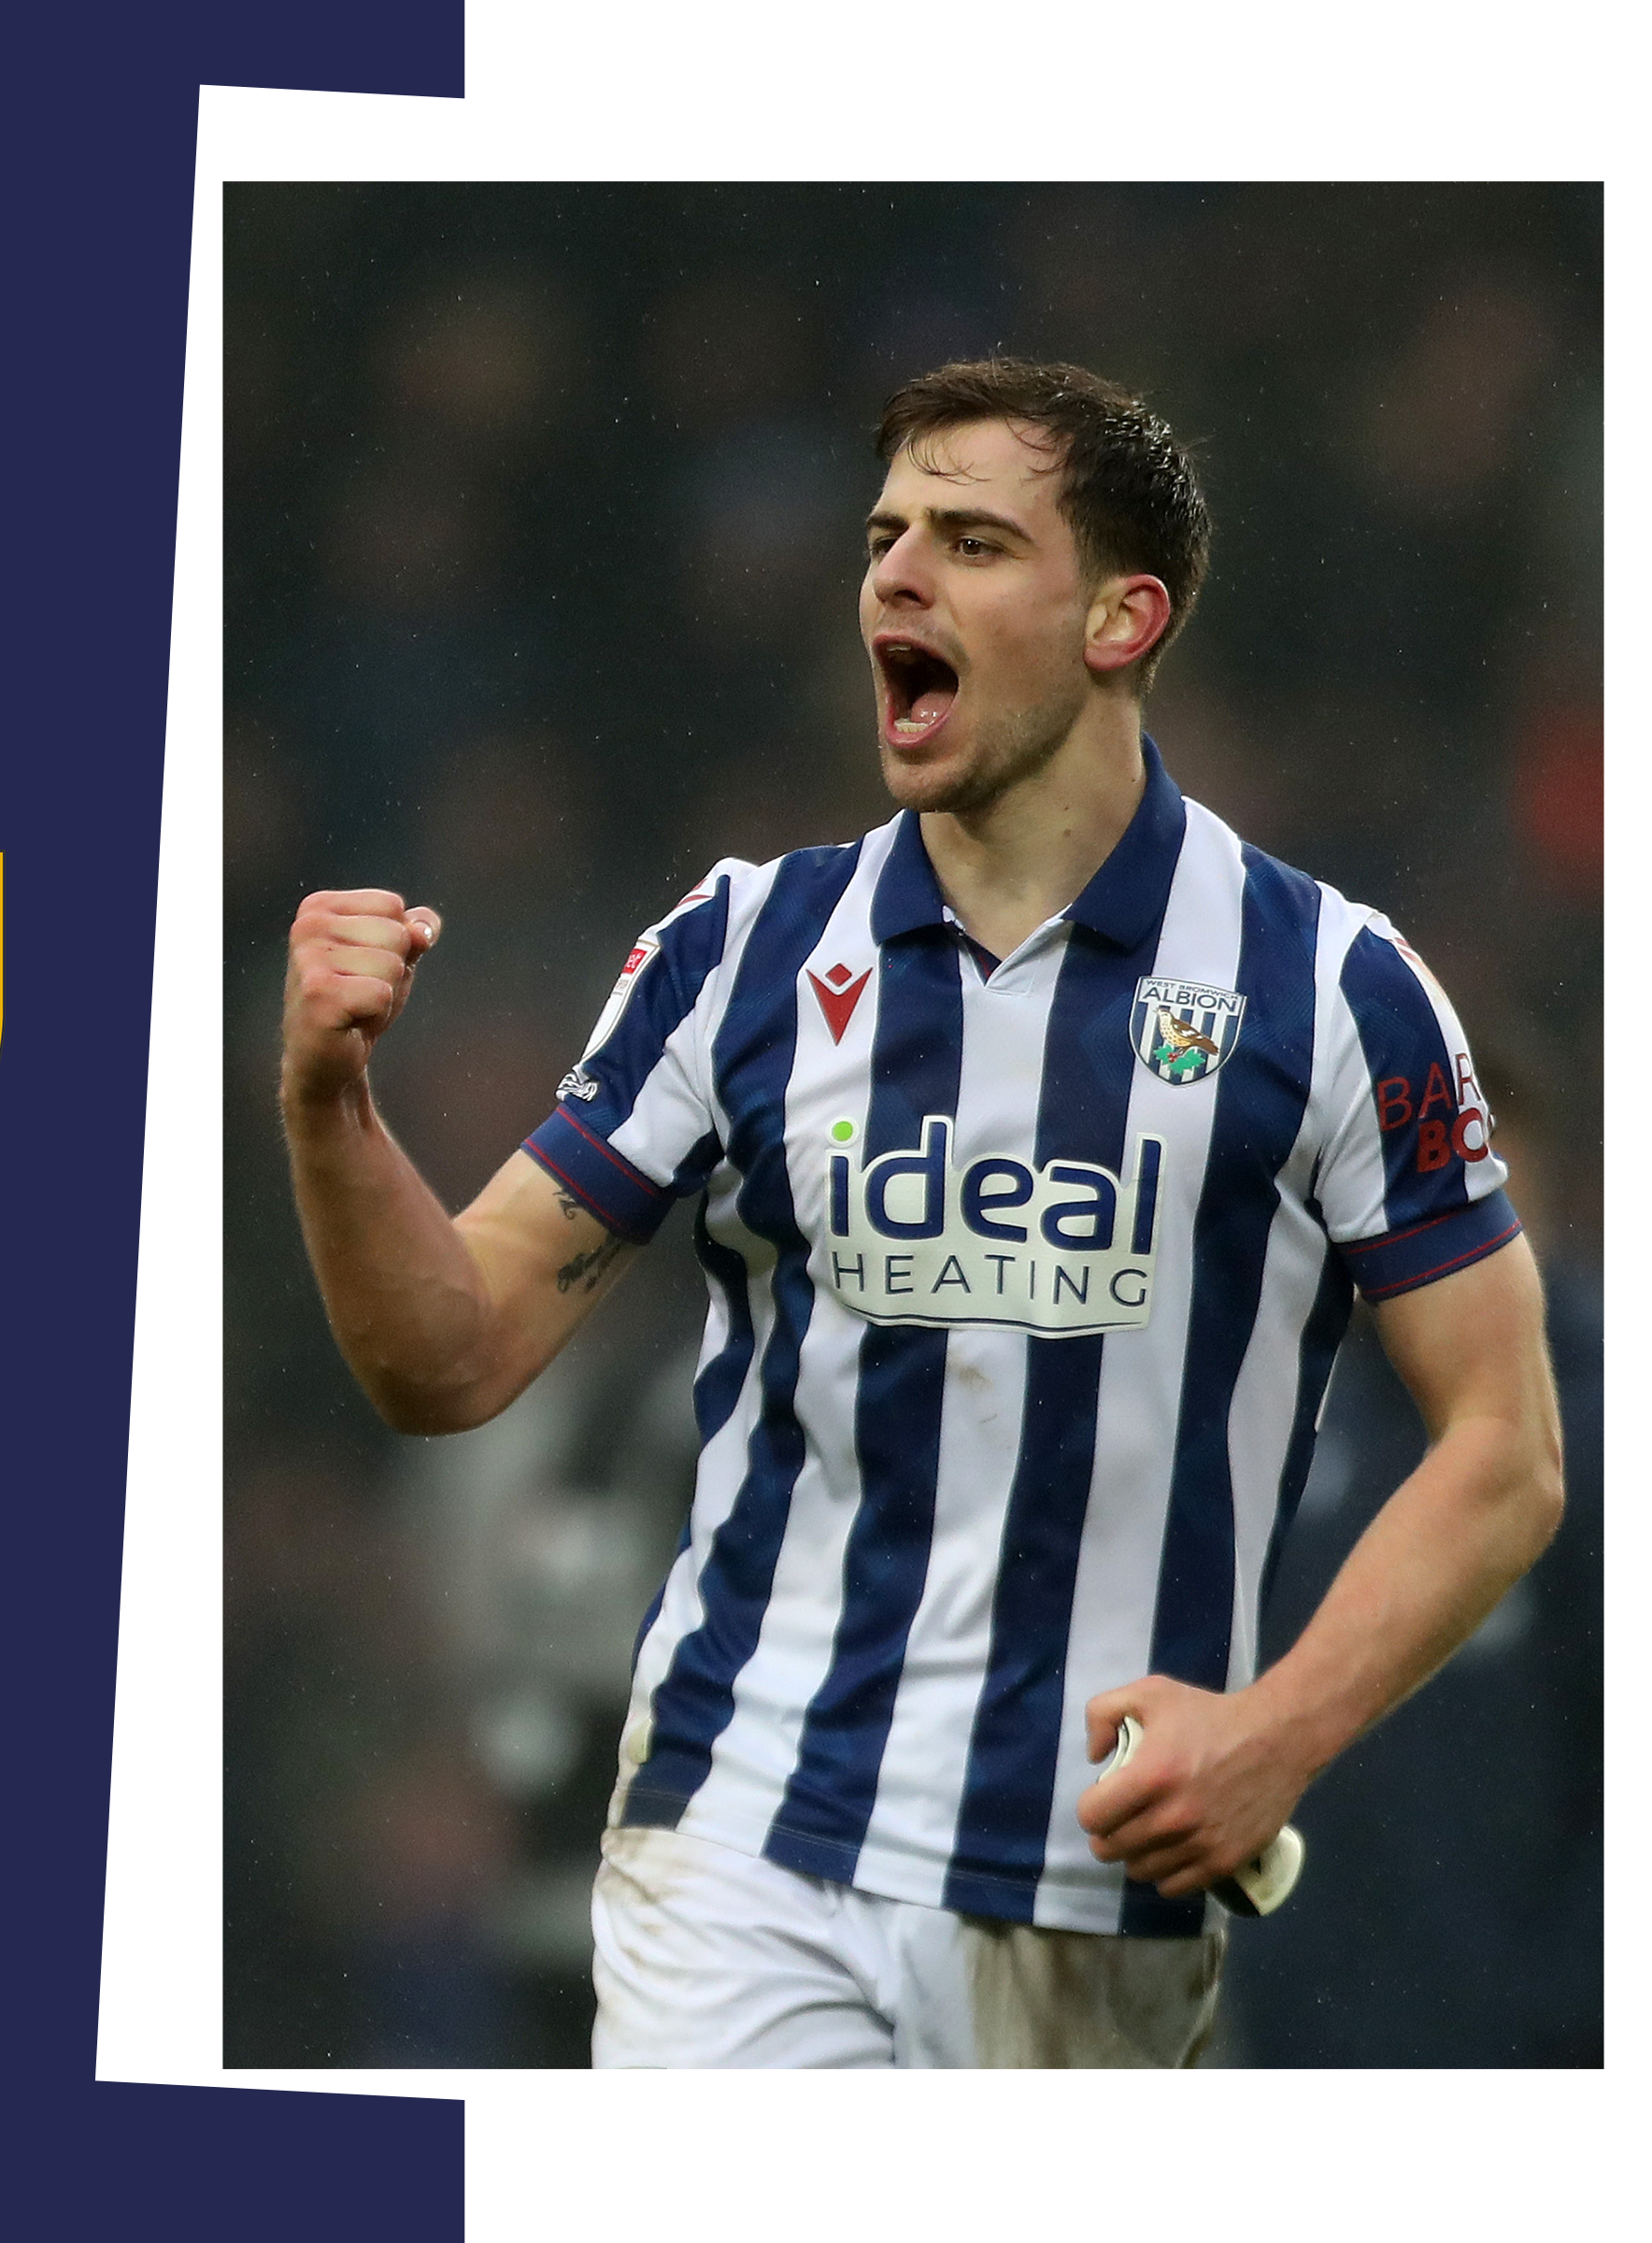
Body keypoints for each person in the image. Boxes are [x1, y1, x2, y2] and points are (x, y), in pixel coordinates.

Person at [277, 358, 1565, 2069]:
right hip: (747, 1838)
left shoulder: (1332, 985)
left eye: (969, 540)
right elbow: (445, 1357)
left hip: (1092, 1890)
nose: (894, 575)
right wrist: (329, 1105)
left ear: (1122, 617)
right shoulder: (737, 953)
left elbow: (1506, 1450)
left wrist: (1274, 1736)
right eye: (886, 534)